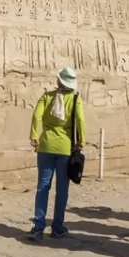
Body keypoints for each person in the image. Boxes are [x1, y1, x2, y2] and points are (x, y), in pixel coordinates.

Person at [28, 67, 85, 241]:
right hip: (65, 147)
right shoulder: (75, 99)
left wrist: (33, 135)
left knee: (43, 187)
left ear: (59, 81)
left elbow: (37, 116)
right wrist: (81, 140)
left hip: (46, 146)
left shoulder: (47, 96)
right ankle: (57, 227)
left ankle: (38, 227)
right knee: (62, 190)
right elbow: (80, 120)